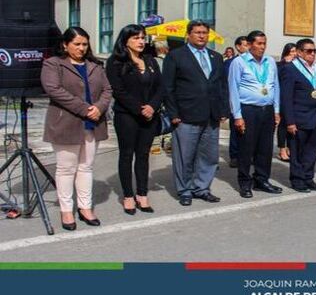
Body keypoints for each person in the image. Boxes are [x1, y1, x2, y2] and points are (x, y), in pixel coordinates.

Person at [41, 27, 112, 230]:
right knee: (66, 169)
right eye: (77, 44)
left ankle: (85, 207)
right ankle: (66, 210)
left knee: (86, 167)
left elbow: (107, 90)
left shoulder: (95, 65)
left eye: (84, 44)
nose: (81, 48)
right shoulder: (53, 64)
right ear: (65, 44)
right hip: (66, 123)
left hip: (93, 123)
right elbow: (54, 90)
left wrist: (98, 108)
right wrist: (84, 109)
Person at [163, 20, 229, 206]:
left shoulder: (216, 57)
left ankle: (202, 188)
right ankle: (185, 190)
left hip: (211, 115)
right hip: (185, 115)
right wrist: (173, 113)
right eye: (198, 32)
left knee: (209, 156)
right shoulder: (176, 56)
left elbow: (222, 86)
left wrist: (224, 109)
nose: (202, 36)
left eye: (205, 33)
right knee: (185, 156)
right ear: (189, 35)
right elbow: (168, 87)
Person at [106, 24, 164, 215]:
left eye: (142, 37)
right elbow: (118, 91)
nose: (141, 41)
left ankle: (142, 194)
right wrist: (140, 109)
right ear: (125, 41)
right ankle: (128, 196)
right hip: (127, 116)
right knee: (126, 155)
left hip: (150, 116)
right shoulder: (115, 62)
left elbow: (160, 87)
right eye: (136, 38)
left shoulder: (150, 60)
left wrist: (153, 106)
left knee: (143, 155)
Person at [229, 30, 282, 198]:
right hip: (248, 110)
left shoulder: (270, 62)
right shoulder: (239, 62)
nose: (262, 47)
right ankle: (245, 183)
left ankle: (262, 179)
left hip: (267, 110)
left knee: (265, 148)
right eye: (259, 43)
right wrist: (237, 116)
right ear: (250, 44)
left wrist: (276, 110)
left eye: (264, 43)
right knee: (247, 148)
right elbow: (233, 90)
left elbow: (276, 86)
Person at [280, 38, 316, 192]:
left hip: (315, 117)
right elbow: (286, 97)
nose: (312, 54)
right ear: (299, 52)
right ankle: (297, 179)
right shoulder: (290, 68)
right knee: (297, 151)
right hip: (298, 117)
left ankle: (308, 178)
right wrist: (290, 121)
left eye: (314, 51)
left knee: (312, 151)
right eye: (308, 51)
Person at [225, 36, 248, 168]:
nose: (248, 47)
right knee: (236, 130)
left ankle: (246, 155)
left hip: (248, 101)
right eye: (245, 45)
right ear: (238, 47)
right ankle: (234, 155)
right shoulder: (231, 62)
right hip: (234, 100)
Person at [276, 43, 297, 162]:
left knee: (292, 123)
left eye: (295, 51)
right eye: (291, 51)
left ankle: (290, 147)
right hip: (283, 97)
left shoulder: (297, 65)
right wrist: (286, 63)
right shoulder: (280, 65)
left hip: (295, 99)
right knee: (284, 124)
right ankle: (282, 148)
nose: (293, 54)